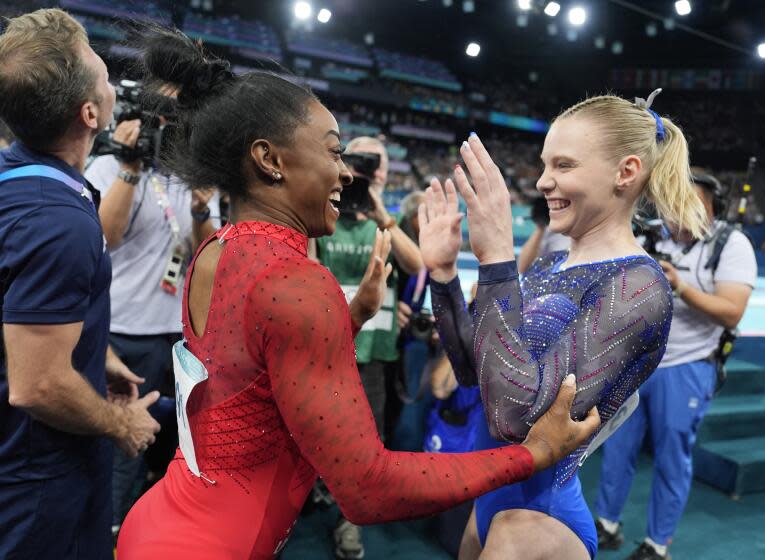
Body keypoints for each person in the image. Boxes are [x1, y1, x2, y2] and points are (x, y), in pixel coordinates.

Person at [115, 28, 600, 560]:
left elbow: (252, 375)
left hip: (166, 520)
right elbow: (369, 488)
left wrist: (350, 317)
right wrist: (533, 454)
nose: (346, 173)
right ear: (269, 159)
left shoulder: (216, 248)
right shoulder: (296, 282)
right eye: (333, 151)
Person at [420, 91, 708, 559]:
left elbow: (514, 418)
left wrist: (497, 260)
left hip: (538, 515)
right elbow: (478, 373)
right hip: (495, 494)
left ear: (626, 172)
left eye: (563, 166)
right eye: (544, 164)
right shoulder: (551, 264)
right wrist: (444, 276)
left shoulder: (636, 287)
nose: (543, 181)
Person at [0, 9, 160, 559]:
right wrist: (121, 425)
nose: (117, 85)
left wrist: (96, 351)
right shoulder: (57, 220)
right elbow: (38, 385)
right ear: (90, 112)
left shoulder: (16, 177)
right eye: (104, 74)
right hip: (38, 472)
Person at [594, 170, 757, 560]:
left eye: (685, 201)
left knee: (672, 458)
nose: (674, 212)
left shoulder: (731, 245)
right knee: (616, 447)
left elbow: (732, 312)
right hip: (638, 362)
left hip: (687, 365)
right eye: (670, 201)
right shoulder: (653, 237)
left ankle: (657, 544)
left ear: (708, 204)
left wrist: (680, 287)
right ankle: (607, 523)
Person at [85, 105, 219, 534]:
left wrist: (201, 210)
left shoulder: (188, 179)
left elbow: (206, 258)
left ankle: (144, 532)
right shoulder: (107, 165)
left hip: (175, 339)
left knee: (163, 451)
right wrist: (130, 166)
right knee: (118, 449)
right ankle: (106, 530)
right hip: (120, 333)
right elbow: (104, 236)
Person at [312, 136, 423, 559]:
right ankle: (317, 491)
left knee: (366, 442)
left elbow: (417, 265)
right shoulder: (325, 212)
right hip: (327, 350)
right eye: (354, 158)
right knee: (315, 433)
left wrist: (379, 210)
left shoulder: (386, 221)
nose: (363, 168)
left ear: (383, 171)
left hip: (374, 356)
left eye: (371, 161)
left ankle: (349, 523)